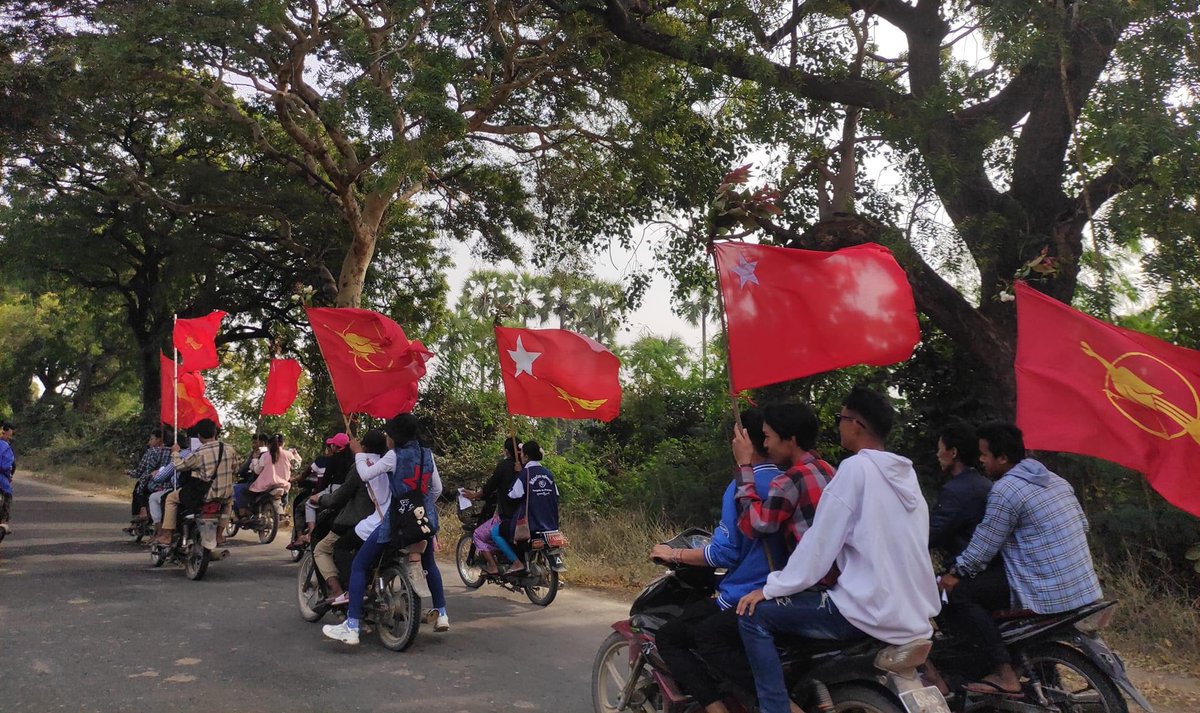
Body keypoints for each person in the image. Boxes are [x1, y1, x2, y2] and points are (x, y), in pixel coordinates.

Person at [736, 387, 941, 713]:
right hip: (913, 611)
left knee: (753, 616)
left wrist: (771, 588)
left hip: (866, 609)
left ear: (856, 423)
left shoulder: (855, 469)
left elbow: (819, 544)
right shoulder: (905, 473)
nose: (838, 425)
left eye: (841, 418)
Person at [649, 405, 832, 713]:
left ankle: (721, 707)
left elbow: (725, 551)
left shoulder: (746, 485)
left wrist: (673, 553)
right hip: (802, 589)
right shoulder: (799, 475)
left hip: (751, 594)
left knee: (673, 636)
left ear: (743, 440)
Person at [940, 422, 1102, 697]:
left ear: (1002, 458)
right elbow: (1083, 525)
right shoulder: (1057, 480)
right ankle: (1036, 671)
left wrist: (954, 573)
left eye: (985, 454)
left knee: (959, 594)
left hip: (1046, 590)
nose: (980, 460)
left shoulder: (1006, 490)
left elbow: (982, 548)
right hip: (1081, 584)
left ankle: (1003, 672)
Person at [322, 414, 434, 646]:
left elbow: (363, 476)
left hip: (390, 522)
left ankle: (352, 625)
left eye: (390, 434)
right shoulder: (424, 455)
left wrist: (358, 454)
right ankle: (440, 610)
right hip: (419, 519)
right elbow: (435, 489)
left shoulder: (392, 457)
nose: (388, 438)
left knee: (359, 564)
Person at [315, 429, 386, 603]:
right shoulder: (388, 464)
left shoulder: (360, 466)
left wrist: (321, 498)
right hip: (385, 520)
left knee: (323, 549)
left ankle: (341, 592)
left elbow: (340, 496)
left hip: (357, 521)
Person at [154, 418, 239, 547]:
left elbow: (179, 466)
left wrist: (175, 453)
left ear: (199, 436)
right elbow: (235, 469)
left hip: (203, 495)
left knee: (171, 498)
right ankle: (219, 535)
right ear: (215, 432)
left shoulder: (200, 453)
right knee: (228, 503)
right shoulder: (229, 449)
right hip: (224, 494)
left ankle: (167, 535)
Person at [928, 419, 992, 565]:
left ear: (953, 452)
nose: (938, 454)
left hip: (962, 570)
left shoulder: (954, 492)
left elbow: (932, 535)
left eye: (940, 449)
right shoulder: (986, 484)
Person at [497, 440, 559, 576]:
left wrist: (519, 473)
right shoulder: (548, 474)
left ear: (525, 457)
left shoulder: (526, 473)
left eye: (522, 454)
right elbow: (556, 495)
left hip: (530, 524)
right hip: (550, 524)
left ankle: (517, 562)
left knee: (498, 530)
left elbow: (512, 495)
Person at [462, 436, 522, 576]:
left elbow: (490, 485)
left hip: (508, 515)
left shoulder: (504, 465)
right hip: (527, 515)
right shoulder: (525, 466)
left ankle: (492, 565)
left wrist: (475, 495)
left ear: (506, 451)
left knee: (478, 534)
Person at [289, 433, 353, 551]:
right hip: (348, 493)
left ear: (334, 447)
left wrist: (318, 492)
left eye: (332, 445)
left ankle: (311, 534)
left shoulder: (331, 460)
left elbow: (325, 479)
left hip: (333, 491)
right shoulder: (353, 460)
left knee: (309, 504)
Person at [234, 433, 297, 519]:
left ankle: (244, 512)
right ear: (283, 443)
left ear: (267, 444)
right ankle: (282, 512)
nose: (254, 445)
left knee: (241, 489)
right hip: (283, 485)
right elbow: (296, 466)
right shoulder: (289, 455)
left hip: (265, 485)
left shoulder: (264, 455)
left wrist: (255, 459)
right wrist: (296, 455)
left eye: (255, 442)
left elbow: (257, 471)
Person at [127, 427, 174, 528]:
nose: (149, 442)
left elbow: (141, 471)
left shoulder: (151, 452)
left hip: (154, 483)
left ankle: (141, 512)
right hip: (170, 484)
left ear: (159, 440)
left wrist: (129, 472)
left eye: (152, 439)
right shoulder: (175, 452)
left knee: (139, 488)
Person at [0, 421, 15, 536]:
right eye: (9, 435)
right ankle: (4, 523)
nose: (10, 438)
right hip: (2, 482)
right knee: (8, 496)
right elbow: (6, 466)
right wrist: (9, 475)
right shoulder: (5, 446)